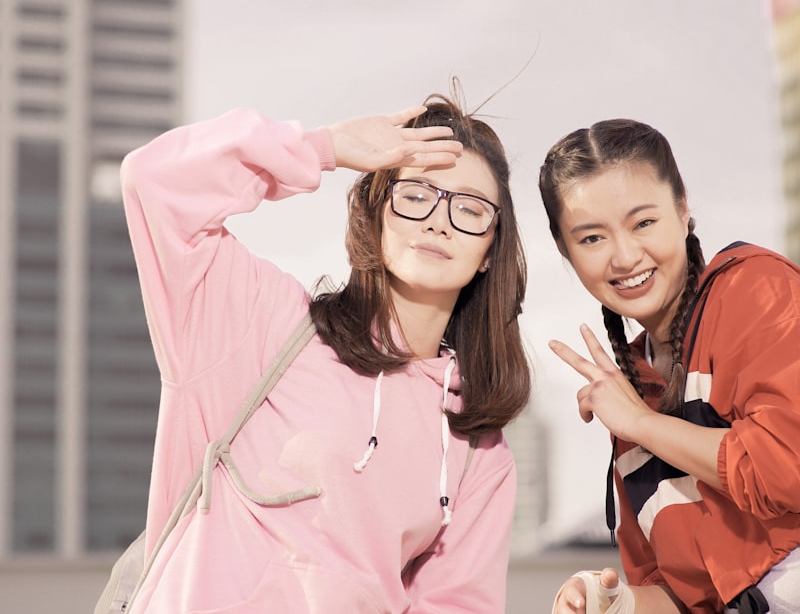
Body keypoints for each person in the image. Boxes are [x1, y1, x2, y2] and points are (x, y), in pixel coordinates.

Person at [538, 118, 800, 614]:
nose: (624, 255)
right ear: (565, 252)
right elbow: (689, 598)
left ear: (683, 210)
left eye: (644, 222)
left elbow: (786, 470)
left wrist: (642, 423)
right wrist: (611, 601)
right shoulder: (633, 394)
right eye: (591, 238)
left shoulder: (756, 292)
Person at [119, 89, 531, 612]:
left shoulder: (478, 448)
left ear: (490, 252)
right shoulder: (262, 320)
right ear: (376, 212)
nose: (438, 220)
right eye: (415, 195)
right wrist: (323, 147)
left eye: (469, 208)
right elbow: (153, 181)